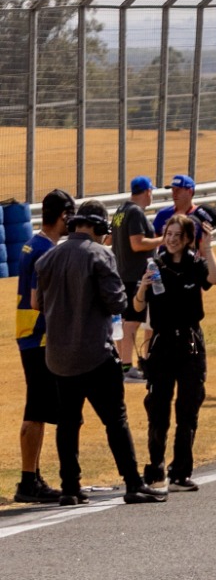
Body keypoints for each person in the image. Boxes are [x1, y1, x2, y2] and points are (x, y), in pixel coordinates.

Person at [32, 201, 160, 503]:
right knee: (115, 419)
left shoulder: (48, 258)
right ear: (99, 227)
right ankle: (132, 483)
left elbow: (37, 302)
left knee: (68, 422)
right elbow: (118, 303)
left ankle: (70, 488)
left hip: (59, 356)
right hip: (94, 353)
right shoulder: (101, 255)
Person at [136, 207, 216, 491]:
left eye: (176, 235)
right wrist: (141, 289)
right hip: (161, 345)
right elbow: (136, 308)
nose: (171, 239)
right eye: (168, 234)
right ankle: (156, 469)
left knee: (188, 409)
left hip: (190, 343)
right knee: (158, 409)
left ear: (186, 239)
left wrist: (207, 248)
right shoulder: (154, 265)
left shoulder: (195, 263)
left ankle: (181, 471)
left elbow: (215, 279)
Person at [15, 190, 71, 504]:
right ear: (63, 215)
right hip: (38, 337)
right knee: (35, 411)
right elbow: (39, 300)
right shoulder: (43, 251)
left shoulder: (34, 245)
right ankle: (27, 481)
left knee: (38, 409)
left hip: (32, 335)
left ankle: (33, 476)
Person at [111, 178, 155, 381]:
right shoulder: (135, 212)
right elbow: (137, 244)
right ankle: (127, 367)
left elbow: (109, 240)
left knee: (128, 321)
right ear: (147, 191)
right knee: (132, 321)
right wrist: (166, 239)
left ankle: (124, 365)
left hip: (123, 273)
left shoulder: (121, 211)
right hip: (134, 275)